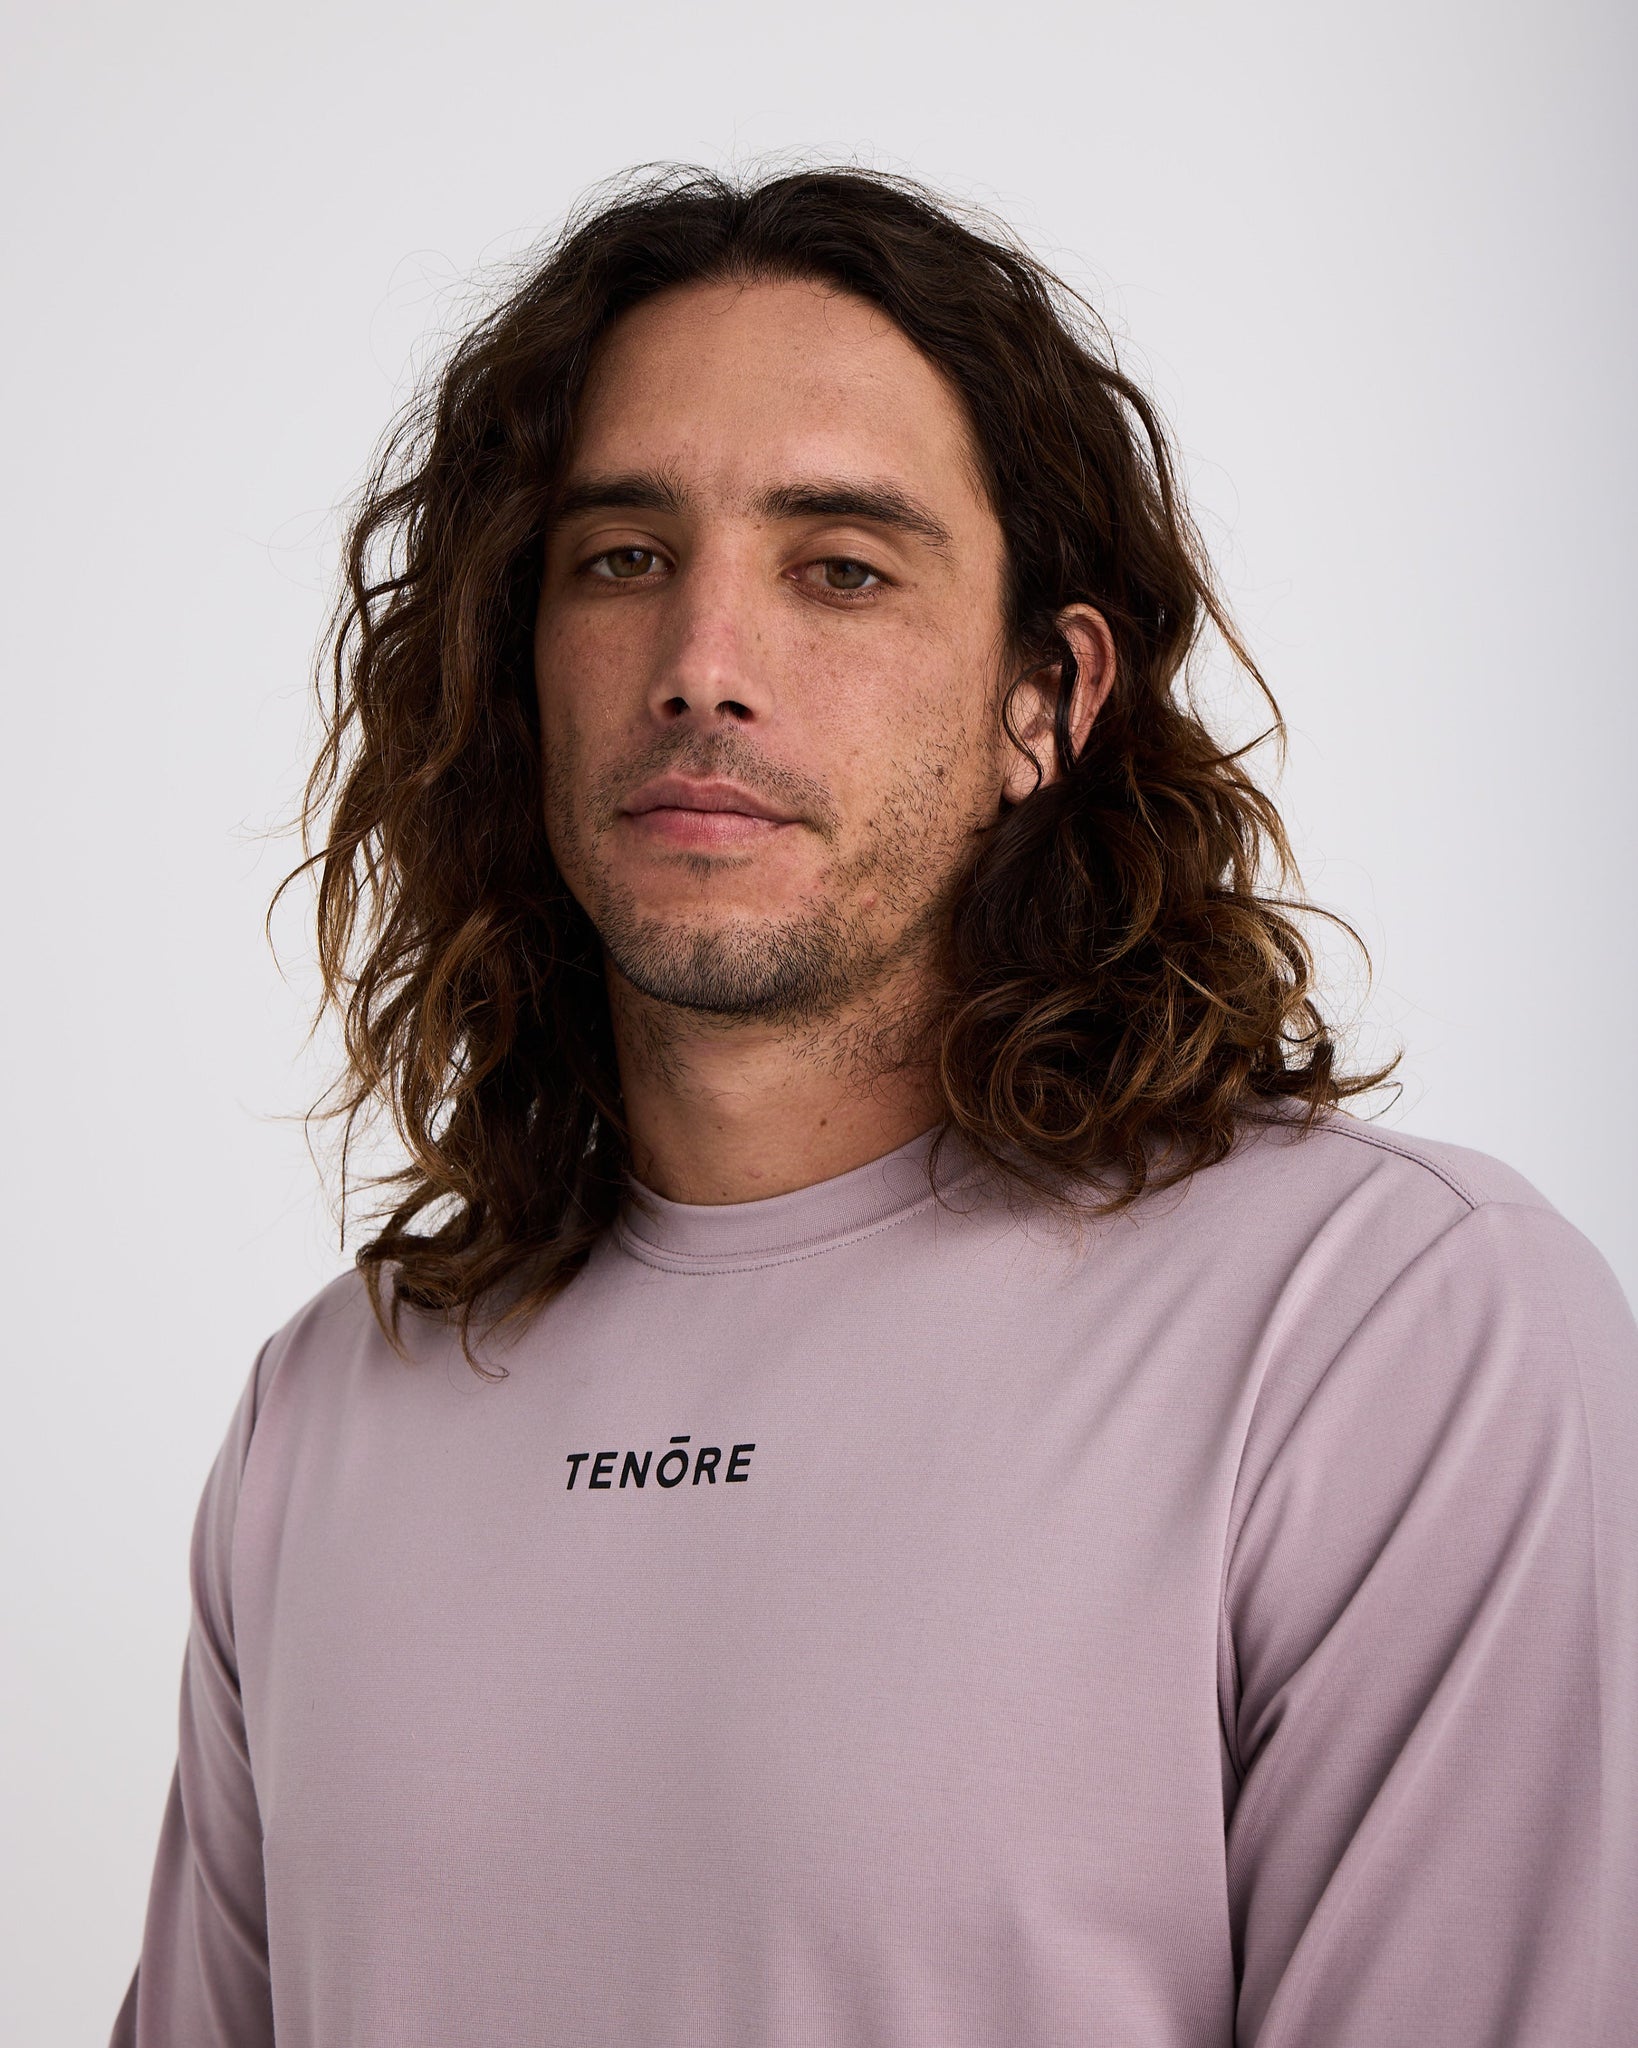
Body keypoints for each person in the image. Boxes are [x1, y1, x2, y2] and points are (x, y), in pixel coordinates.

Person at [110, 164, 1638, 2047]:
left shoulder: (1384, 1332)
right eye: (621, 559)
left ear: (1042, 699)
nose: (702, 669)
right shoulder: (330, 1408)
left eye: (840, 567)